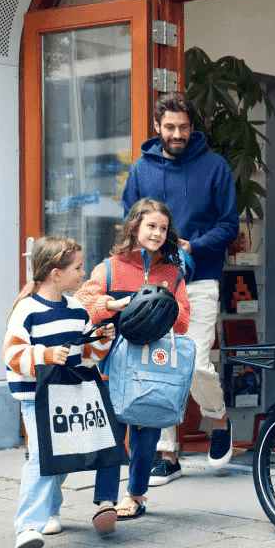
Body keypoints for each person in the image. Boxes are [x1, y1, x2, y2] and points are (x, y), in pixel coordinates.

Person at [121, 91, 240, 483]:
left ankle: (218, 419)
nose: (176, 133)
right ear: (157, 127)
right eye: (169, 127)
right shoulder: (141, 169)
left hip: (201, 277)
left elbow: (228, 225)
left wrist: (194, 246)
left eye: (183, 127)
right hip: (155, 280)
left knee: (196, 362)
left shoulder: (214, 166)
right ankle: (167, 452)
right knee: (160, 364)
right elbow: (131, 220)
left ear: (193, 127)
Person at [76, 199, 192, 520]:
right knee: (111, 434)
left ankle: (136, 496)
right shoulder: (109, 267)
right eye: (151, 226)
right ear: (134, 228)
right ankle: (104, 502)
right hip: (113, 367)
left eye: (163, 228)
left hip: (153, 369)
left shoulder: (172, 272)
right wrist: (110, 305)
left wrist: (164, 306)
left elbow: (183, 321)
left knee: (146, 434)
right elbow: (83, 303)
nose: (156, 233)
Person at [4, 236, 115, 548]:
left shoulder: (77, 309)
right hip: (35, 395)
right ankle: (26, 526)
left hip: (68, 393)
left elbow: (87, 357)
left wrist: (102, 341)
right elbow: (11, 355)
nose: (83, 273)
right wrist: (48, 355)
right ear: (55, 272)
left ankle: (51, 511)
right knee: (42, 456)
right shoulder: (26, 310)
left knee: (61, 456)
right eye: (78, 267)